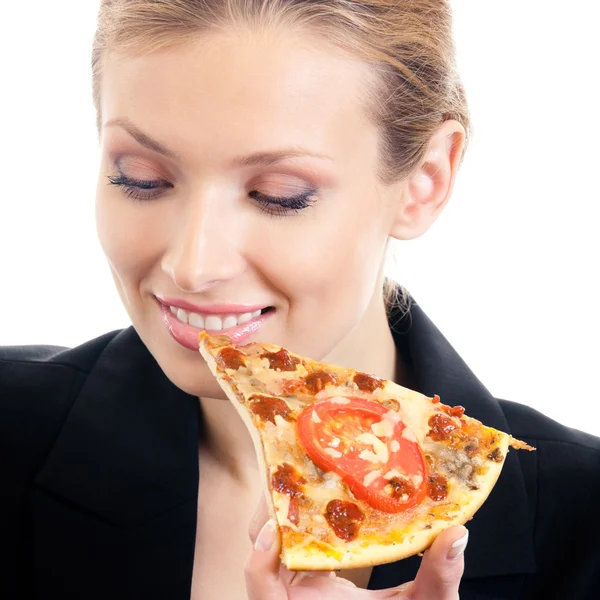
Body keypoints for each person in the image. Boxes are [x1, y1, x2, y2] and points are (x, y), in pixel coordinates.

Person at [1, 1, 599, 599]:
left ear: (425, 181)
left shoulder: (584, 521)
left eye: (278, 195)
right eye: (141, 178)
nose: (194, 264)